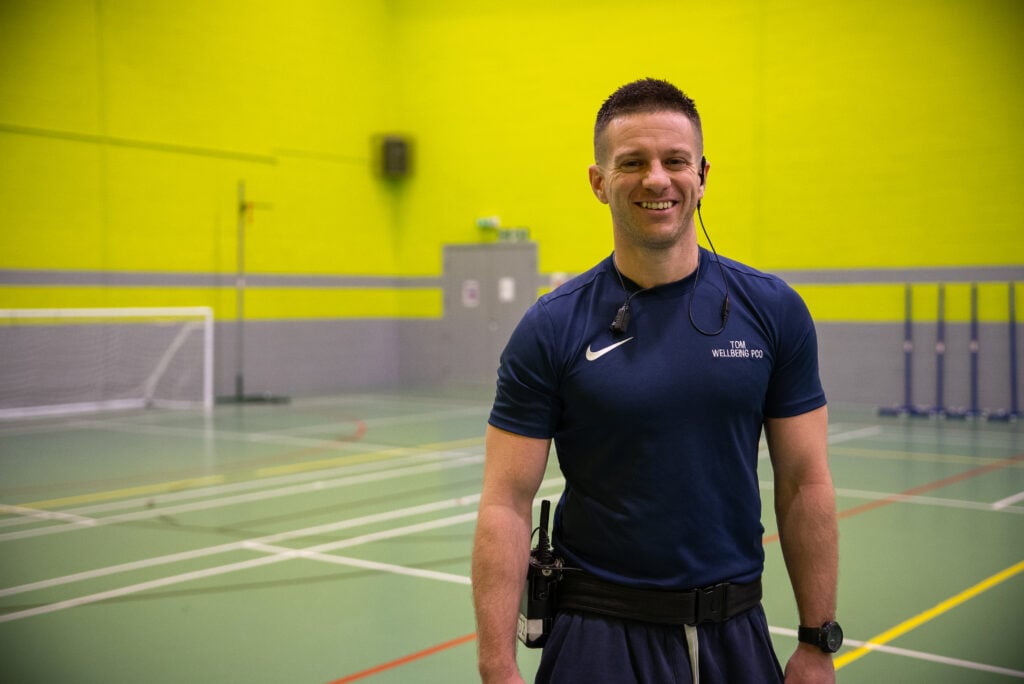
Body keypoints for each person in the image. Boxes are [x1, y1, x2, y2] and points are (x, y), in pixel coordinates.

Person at [471, 78, 840, 683]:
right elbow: (505, 504)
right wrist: (497, 667)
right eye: (632, 163)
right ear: (598, 182)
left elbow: (805, 483)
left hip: (737, 632)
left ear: (702, 174)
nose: (657, 179)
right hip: (599, 635)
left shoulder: (773, 311)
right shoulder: (550, 327)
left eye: (675, 161)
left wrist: (816, 640)